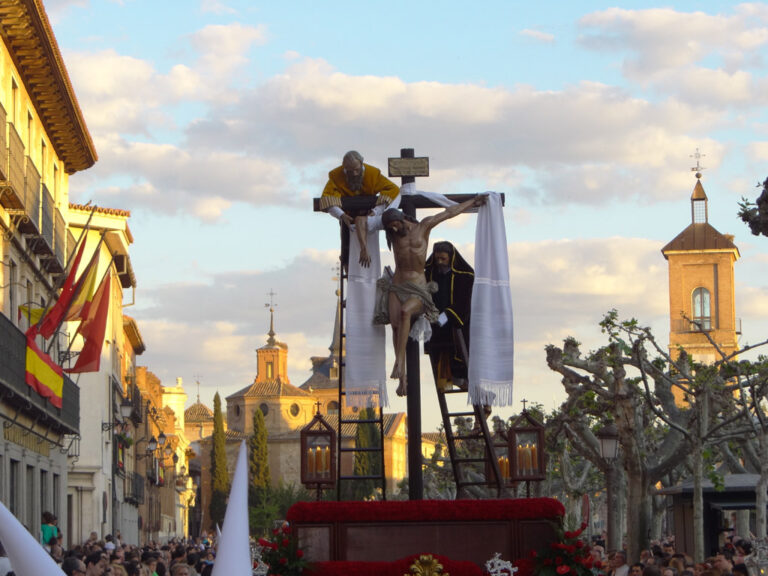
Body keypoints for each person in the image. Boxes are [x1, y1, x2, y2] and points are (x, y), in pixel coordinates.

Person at [376, 194, 487, 395]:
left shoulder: (423, 227)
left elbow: (448, 213)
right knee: (394, 326)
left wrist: (473, 202)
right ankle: (402, 379)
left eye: (395, 225)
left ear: (402, 219)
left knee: (405, 313)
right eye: (389, 227)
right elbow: (365, 221)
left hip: (418, 288)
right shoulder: (392, 233)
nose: (393, 230)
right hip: (398, 285)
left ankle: (399, 362)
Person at [319, 150, 400, 269]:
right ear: (344, 168)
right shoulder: (336, 176)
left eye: (357, 169)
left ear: (362, 163)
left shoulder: (373, 174)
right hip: (348, 219)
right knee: (347, 248)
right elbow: (327, 198)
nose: (355, 174)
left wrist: (375, 212)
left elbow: (393, 190)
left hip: (369, 219)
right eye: (350, 171)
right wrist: (341, 215)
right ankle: (347, 267)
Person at [424, 241, 474, 391]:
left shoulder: (465, 275)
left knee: (457, 357)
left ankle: (462, 379)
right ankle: (448, 380)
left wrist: (444, 318)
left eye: (443, 259)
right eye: (437, 258)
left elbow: (463, 303)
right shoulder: (429, 273)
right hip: (433, 323)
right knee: (438, 354)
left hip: (454, 324)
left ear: (451, 258)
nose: (439, 262)